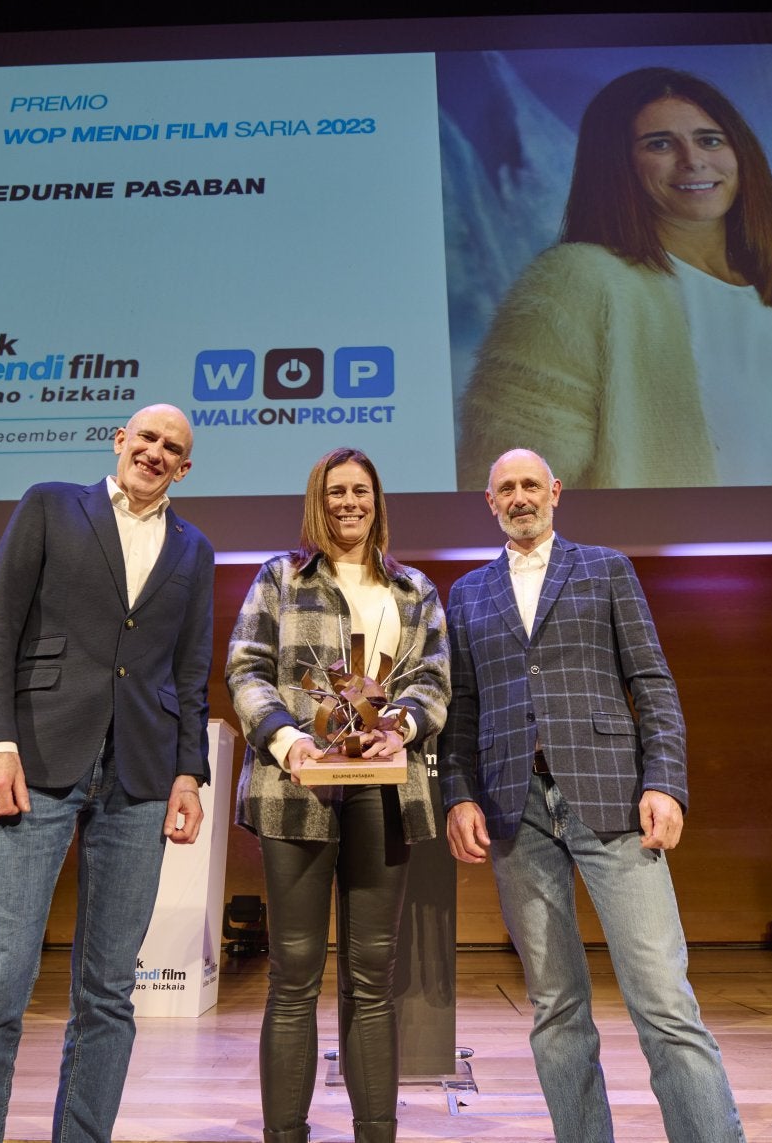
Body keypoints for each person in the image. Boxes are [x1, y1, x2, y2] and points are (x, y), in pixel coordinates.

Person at [0, 403, 214, 1143]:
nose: (154, 451)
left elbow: (190, 674)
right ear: (119, 441)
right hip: (36, 761)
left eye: (171, 447)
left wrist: (190, 775)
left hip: (140, 779)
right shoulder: (51, 504)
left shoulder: (194, 548)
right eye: (145, 437)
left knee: (111, 994)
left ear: (185, 467)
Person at [440, 448, 745, 1143]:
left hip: (613, 801)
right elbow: (460, 709)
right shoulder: (466, 592)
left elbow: (653, 683)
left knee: (663, 999)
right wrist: (458, 795)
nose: (518, 496)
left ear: (555, 491)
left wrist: (666, 779)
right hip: (515, 810)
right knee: (554, 1007)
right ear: (489, 502)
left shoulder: (606, 566)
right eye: (504, 488)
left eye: (529, 484)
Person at [455, 67, 772, 491]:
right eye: (660, 144)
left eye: (710, 139)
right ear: (617, 165)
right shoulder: (580, 279)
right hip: (700, 559)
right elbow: (512, 480)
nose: (694, 160)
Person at [226, 446, 451, 1143]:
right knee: (293, 973)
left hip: (385, 795)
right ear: (316, 503)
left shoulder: (415, 589)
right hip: (295, 792)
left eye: (360, 491)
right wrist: (290, 739)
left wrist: (402, 729)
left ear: (377, 501)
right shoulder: (280, 578)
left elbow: (435, 679)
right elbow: (245, 668)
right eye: (334, 492)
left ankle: (375, 1133)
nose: (348, 502)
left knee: (371, 979)